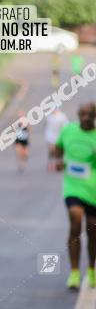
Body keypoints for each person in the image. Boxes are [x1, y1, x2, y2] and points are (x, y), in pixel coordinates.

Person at [53, 102, 96, 290]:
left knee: (93, 232)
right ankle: (75, 272)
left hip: (93, 191)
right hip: (73, 188)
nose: (85, 118)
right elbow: (57, 150)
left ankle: (92, 270)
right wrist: (59, 161)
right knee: (75, 220)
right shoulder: (68, 130)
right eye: (82, 114)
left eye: (89, 115)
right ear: (78, 114)